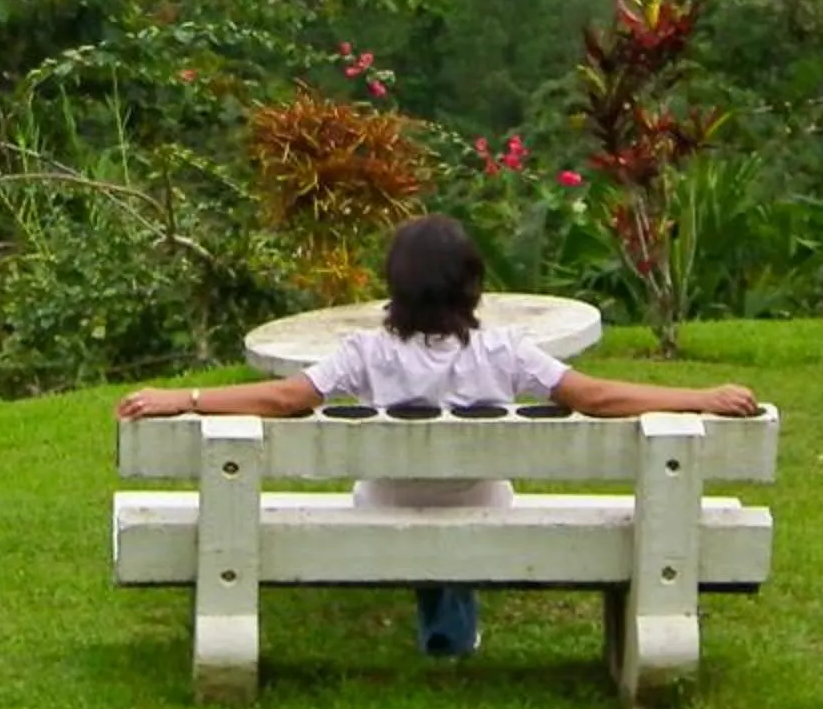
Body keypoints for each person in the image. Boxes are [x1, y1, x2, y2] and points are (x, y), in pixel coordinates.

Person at [115, 214, 760, 659]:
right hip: (484, 505)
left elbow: (284, 399)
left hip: (385, 504)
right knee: (469, 493)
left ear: (394, 287)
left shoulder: (365, 351)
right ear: (473, 285)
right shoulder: (506, 350)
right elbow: (595, 397)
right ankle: (453, 634)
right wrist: (698, 398)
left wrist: (187, 398)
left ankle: (443, 630)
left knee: (403, 492)